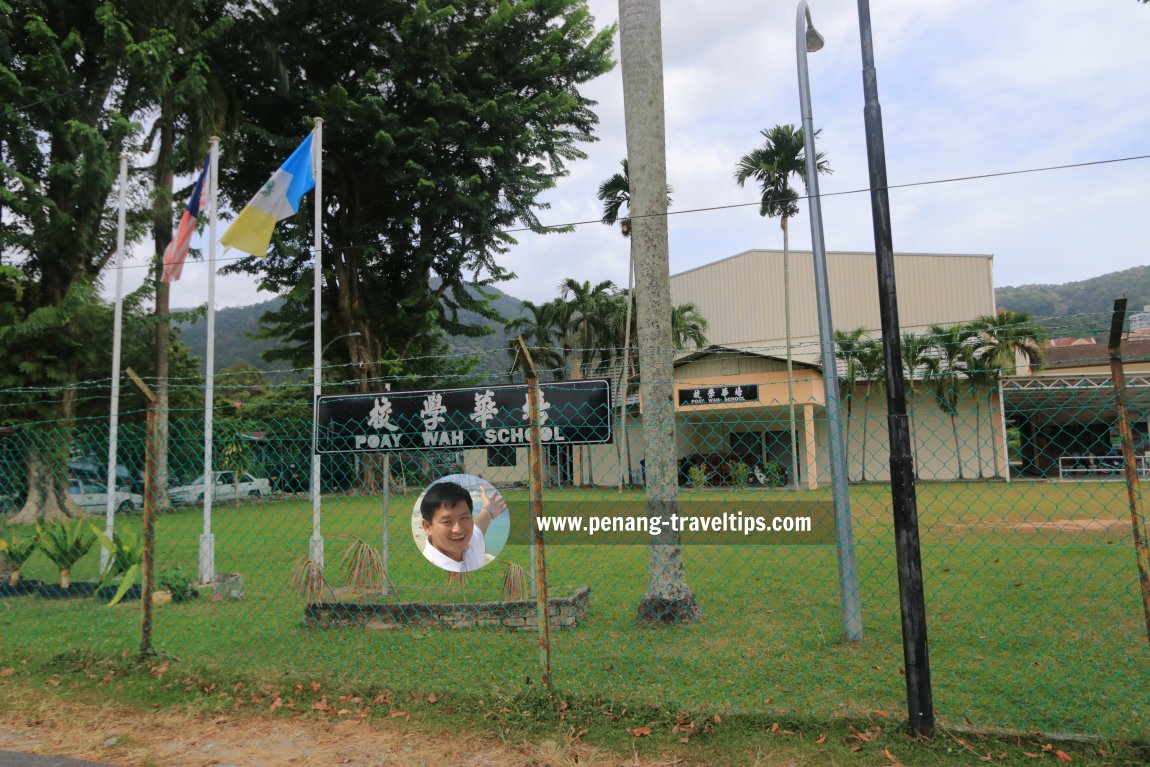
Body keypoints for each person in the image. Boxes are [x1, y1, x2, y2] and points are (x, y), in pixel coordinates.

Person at [419, 480, 507, 572]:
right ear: (427, 527)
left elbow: (479, 525)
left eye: (464, 518)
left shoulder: (471, 540)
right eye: (447, 521)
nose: (458, 530)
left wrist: (489, 511)